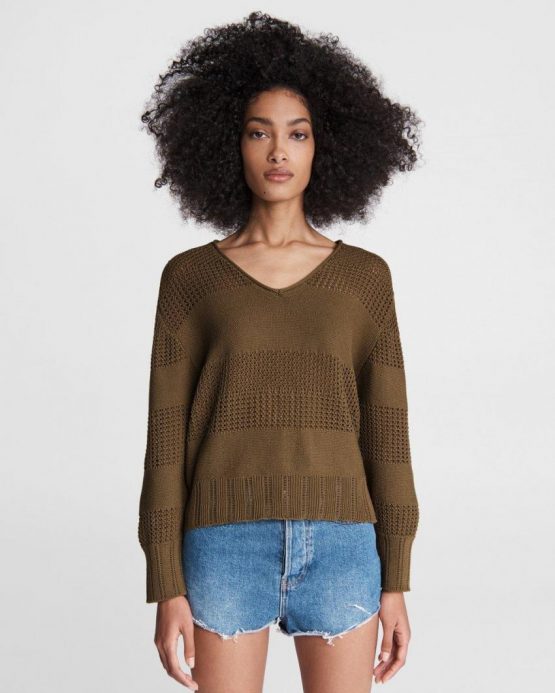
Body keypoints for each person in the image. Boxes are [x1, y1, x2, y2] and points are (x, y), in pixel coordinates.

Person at [137, 11, 422, 692]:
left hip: (344, 546)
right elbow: (166, 440)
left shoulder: (363, 279)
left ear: (325, 146)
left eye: (297, 133)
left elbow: (388, 435)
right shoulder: (191, 279)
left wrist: (395, 580)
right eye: (258, 132)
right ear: (228, 144)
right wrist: (166, 585)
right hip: (222, 545)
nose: (277, 152)